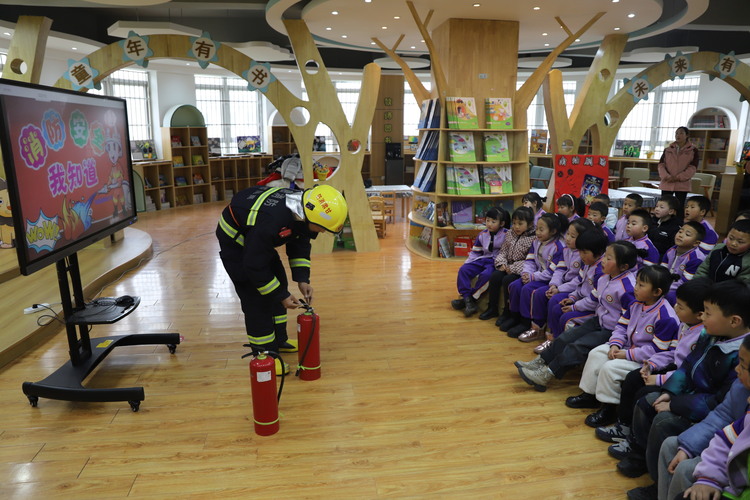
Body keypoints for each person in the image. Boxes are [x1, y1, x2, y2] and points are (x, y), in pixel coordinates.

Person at [611, 280, 750, 483]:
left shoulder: (741, 356)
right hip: (688, 397)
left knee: (663, 422)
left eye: (708, 313)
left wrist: (674, 404)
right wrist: (670, 392)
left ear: (734, 321)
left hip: (705, 412)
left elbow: (718, 402)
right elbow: (687, 367)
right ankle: (640, 456)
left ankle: (658, 480)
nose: (703, 317)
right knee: (646, 401)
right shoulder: (709, 334)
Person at [216, 184, 347, 375]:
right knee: (256, 299)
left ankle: (279, 340)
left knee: (278, 282)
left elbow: (300, 242)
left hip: (256, 240)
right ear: (309, 217)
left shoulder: (301, 211)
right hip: (237, 244)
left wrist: (302, 279)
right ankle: (265, 356)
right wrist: (280, 295)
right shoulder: (272, 221)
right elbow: (254, 265)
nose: (323, 232)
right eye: (322, 228)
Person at [594, 279, 710, 453]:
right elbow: (672, 351)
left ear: (700, 314)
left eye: (680, 306)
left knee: (644, 394)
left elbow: (689, 372)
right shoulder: (686, 325)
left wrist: (660, 378)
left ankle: (636, 442)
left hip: (683, 379)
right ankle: (624, 426)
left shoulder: (702, 336)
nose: (676, 309)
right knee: (634, 378)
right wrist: (653, 364)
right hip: (674, 369)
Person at [514, 240, 641, 391]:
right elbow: (594, 298)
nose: (603, 261)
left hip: (611, 330)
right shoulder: (604, 278)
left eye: (609, 258)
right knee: (565, 338)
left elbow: (629, 320)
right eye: (605, 256)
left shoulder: (627, 288)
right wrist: (574, 304)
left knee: (577, 346)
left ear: (624, 266)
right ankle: (540, 362)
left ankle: (546, 375)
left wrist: (617, 340)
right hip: (598, 320)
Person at [569, 265, 679, 428]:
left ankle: (609, 408)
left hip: (645, 359)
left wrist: (627, 355)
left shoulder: (666, 316)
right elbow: (621, 327)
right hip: (626, 347)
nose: (635, 288)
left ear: (657, 292)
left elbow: (657, 350)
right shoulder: (635, 303)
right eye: (637, 283)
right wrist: (615, 344)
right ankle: (590, 395)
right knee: (597, 353)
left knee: (610, 368)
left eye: (641, 285)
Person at [654, 365, 750, 500]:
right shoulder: (740, 385)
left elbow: (710, 402)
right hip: (727, 447)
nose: (737, 369)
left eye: (743, 363)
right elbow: (722, 416)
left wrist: (674, 403)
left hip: (737, 463)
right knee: (671, 445)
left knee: (685, 469)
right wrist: (688, 447)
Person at [518, 218, 595, 344]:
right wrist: (554, 285)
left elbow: (578, 280)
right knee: (540, 292)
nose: (568, 238)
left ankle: (552, 337)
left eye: (573, 236)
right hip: (563, 285)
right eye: (567, 234)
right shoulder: (566, 250)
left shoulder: (584, 255)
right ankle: (537, 328)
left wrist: (559, 289)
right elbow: (559, 270)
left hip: (573, 289)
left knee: (555, 300)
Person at [542, 230, 608, 354]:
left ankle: (562, 350)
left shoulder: (600, 271)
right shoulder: (587, 264)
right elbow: (579, 284)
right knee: (557, 308)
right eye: (580, 251)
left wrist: (574, 307)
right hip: (581, 302)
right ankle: (554, 342)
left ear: (598, 252)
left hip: (591, 309)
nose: (581, 256)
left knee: (567, 318)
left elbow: (594, 301)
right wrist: (572, 297)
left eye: (585, 252)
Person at [502, 212, 568, 337]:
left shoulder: (558, 247)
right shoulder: (536, 242)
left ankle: (527, 322)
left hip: (546, 279)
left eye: (541, 229)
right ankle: (515, 316)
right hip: (535, 275)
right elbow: (530, 260)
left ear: (553, 231)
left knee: (528, 289)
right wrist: (526, 273)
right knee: (515, 285)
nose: (537, 232)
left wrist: (533, 277)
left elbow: (552, 272)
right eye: (537, 228)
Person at [451, 207, 510, 316]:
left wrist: (503, 263)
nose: (489, 224)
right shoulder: (482, 234)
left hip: (496, 262)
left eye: (493, 221)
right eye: (487, 220)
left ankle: (471, 299)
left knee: (486, 275)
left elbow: (507, 253)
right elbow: (475, 251)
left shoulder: (507, 234)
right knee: (463, 270)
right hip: (483, 259)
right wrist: (468, 262)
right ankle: (466, 297)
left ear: (501, 223)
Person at [480, 207, 536, 322]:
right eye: (514, 223)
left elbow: (530, 260)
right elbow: (503, 251)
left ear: (529, 224)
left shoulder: (533, 238)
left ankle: (508, 311)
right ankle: (492, 307)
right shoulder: (510, 233)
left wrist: (513, 268)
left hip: (520, 270)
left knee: (508, 280)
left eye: (520, 224)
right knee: (495, 276)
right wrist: (501, 263)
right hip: (507, 265)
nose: (516, 226)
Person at [661, 221, 706, 305]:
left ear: (696, 243)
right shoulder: (670, 251)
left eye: (687, 234)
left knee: (667, 296)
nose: (680, 235)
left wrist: (664, 287)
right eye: (680, 231)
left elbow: (685, 282)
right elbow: (662, 270)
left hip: (685, 290)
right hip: (668, 285)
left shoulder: (696, 258)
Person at [694, 219, 750, 284]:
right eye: (731, 238)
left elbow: (742, 287)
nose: (733, 243)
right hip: (705, 288)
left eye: (740, 242)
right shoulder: (718, 248)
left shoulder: (747, 262)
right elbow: (703, 270)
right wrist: (697, 285)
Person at [658, 126, 699, 212]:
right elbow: (661, 165)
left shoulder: (693, 150)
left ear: (687, 135)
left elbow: (693, 167)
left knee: (679, 208)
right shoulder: (668, 149)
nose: (678, 135)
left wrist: (678, 177)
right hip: (667, 182)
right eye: (676, 133)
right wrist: (666, 176)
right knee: (664, 207)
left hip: (682, 184)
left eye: (681, 133)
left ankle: (678, 224)